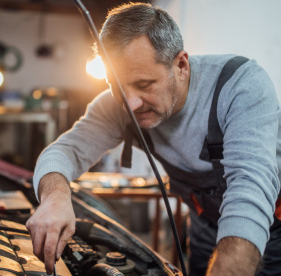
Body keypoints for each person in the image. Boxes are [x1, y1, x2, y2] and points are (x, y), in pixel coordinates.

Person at [26, 2, 281, 276]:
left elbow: (249, 188)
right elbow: (66, 150)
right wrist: (55, 195)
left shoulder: (240, 86)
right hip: (206, 226)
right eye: (116, 85)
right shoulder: (117, 106)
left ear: (181, 64)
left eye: (145, 85)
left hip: (271, 223)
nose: (130, 104)